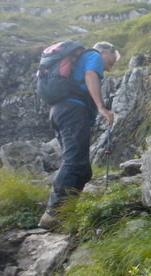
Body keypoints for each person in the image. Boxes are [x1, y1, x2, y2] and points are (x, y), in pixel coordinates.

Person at [38, 42, 120, 229]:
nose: (108, 68)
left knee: (82, 168)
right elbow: (90, 75)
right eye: (110, 62)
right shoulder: (94, 56)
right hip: (73, 111)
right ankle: (52, 214)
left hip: (60, 112)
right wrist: (101, 107)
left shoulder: (79, 61)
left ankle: (66, 213)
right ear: (105, 51)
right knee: (74, 162)